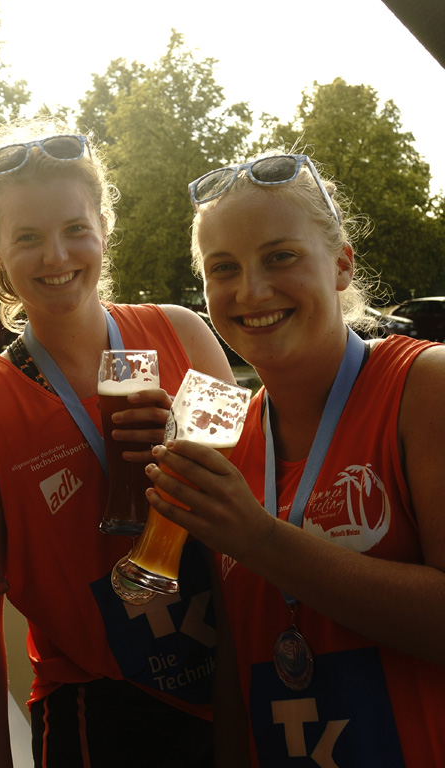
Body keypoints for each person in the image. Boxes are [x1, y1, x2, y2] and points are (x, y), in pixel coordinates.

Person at [0, 120, 235, 768]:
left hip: (231, 681)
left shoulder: (184, 334)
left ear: (104, 227)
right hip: (100, 710)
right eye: (27, 238)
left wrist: (185, 453)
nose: (55, 256)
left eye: (75, 229)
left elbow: (259, 512)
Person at [145, 152, 445, 766]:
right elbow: (237, 658)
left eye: (280, 256)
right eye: (222, 267)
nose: (251, 290)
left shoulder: (423, 386)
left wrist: (259, 539)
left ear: (340, 264)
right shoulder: (224, 438)